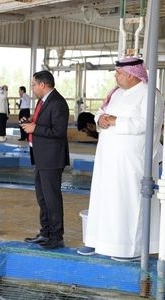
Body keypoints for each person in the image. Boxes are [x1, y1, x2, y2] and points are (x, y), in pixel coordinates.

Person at [78, 57, 164, 261]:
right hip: (108, 159)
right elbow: (101, 111)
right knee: (104, 200)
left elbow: (149, 122)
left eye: (118, 73)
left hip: (131, 162)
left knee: (128, 202)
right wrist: (100, 119)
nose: (115, 77)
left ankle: (129, 249)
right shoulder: (115, 93)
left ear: (131, 75)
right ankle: (99, 242)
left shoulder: (149, 94)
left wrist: (117, 121)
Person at [20, 70, 69, 250]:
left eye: (33, 84)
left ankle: (56, 237)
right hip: (41, 157)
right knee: (42, 198)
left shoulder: (57, 103)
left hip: (52, 158)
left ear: (42, 84)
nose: (32, 88)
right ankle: (45, 232)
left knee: (52, 198)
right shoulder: (44, 101)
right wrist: (31, 121)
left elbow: (58, 131)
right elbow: (43, 124)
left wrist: (35, 128)